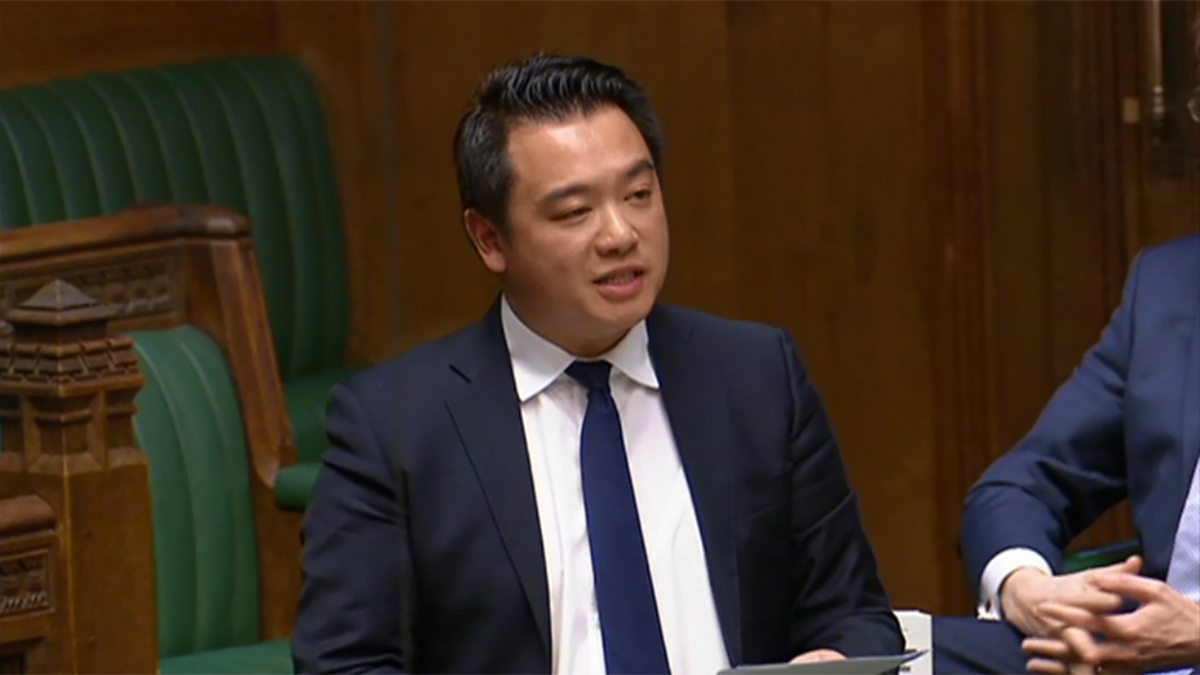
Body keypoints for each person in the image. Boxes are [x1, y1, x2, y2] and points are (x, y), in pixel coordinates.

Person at [293, 54, 902, 673]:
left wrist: (834, 657)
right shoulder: (396, 427)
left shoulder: (757, 376)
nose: (620, 235)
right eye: (574, 212)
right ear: (490, 239)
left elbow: (853, 610)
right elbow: (344, 664)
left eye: (639, 195)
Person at [933, 232, 1200, 674]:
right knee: (892, 658)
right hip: (1131, 655)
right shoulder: (1171, 284)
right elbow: (1024, 486)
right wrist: (1029, 592)